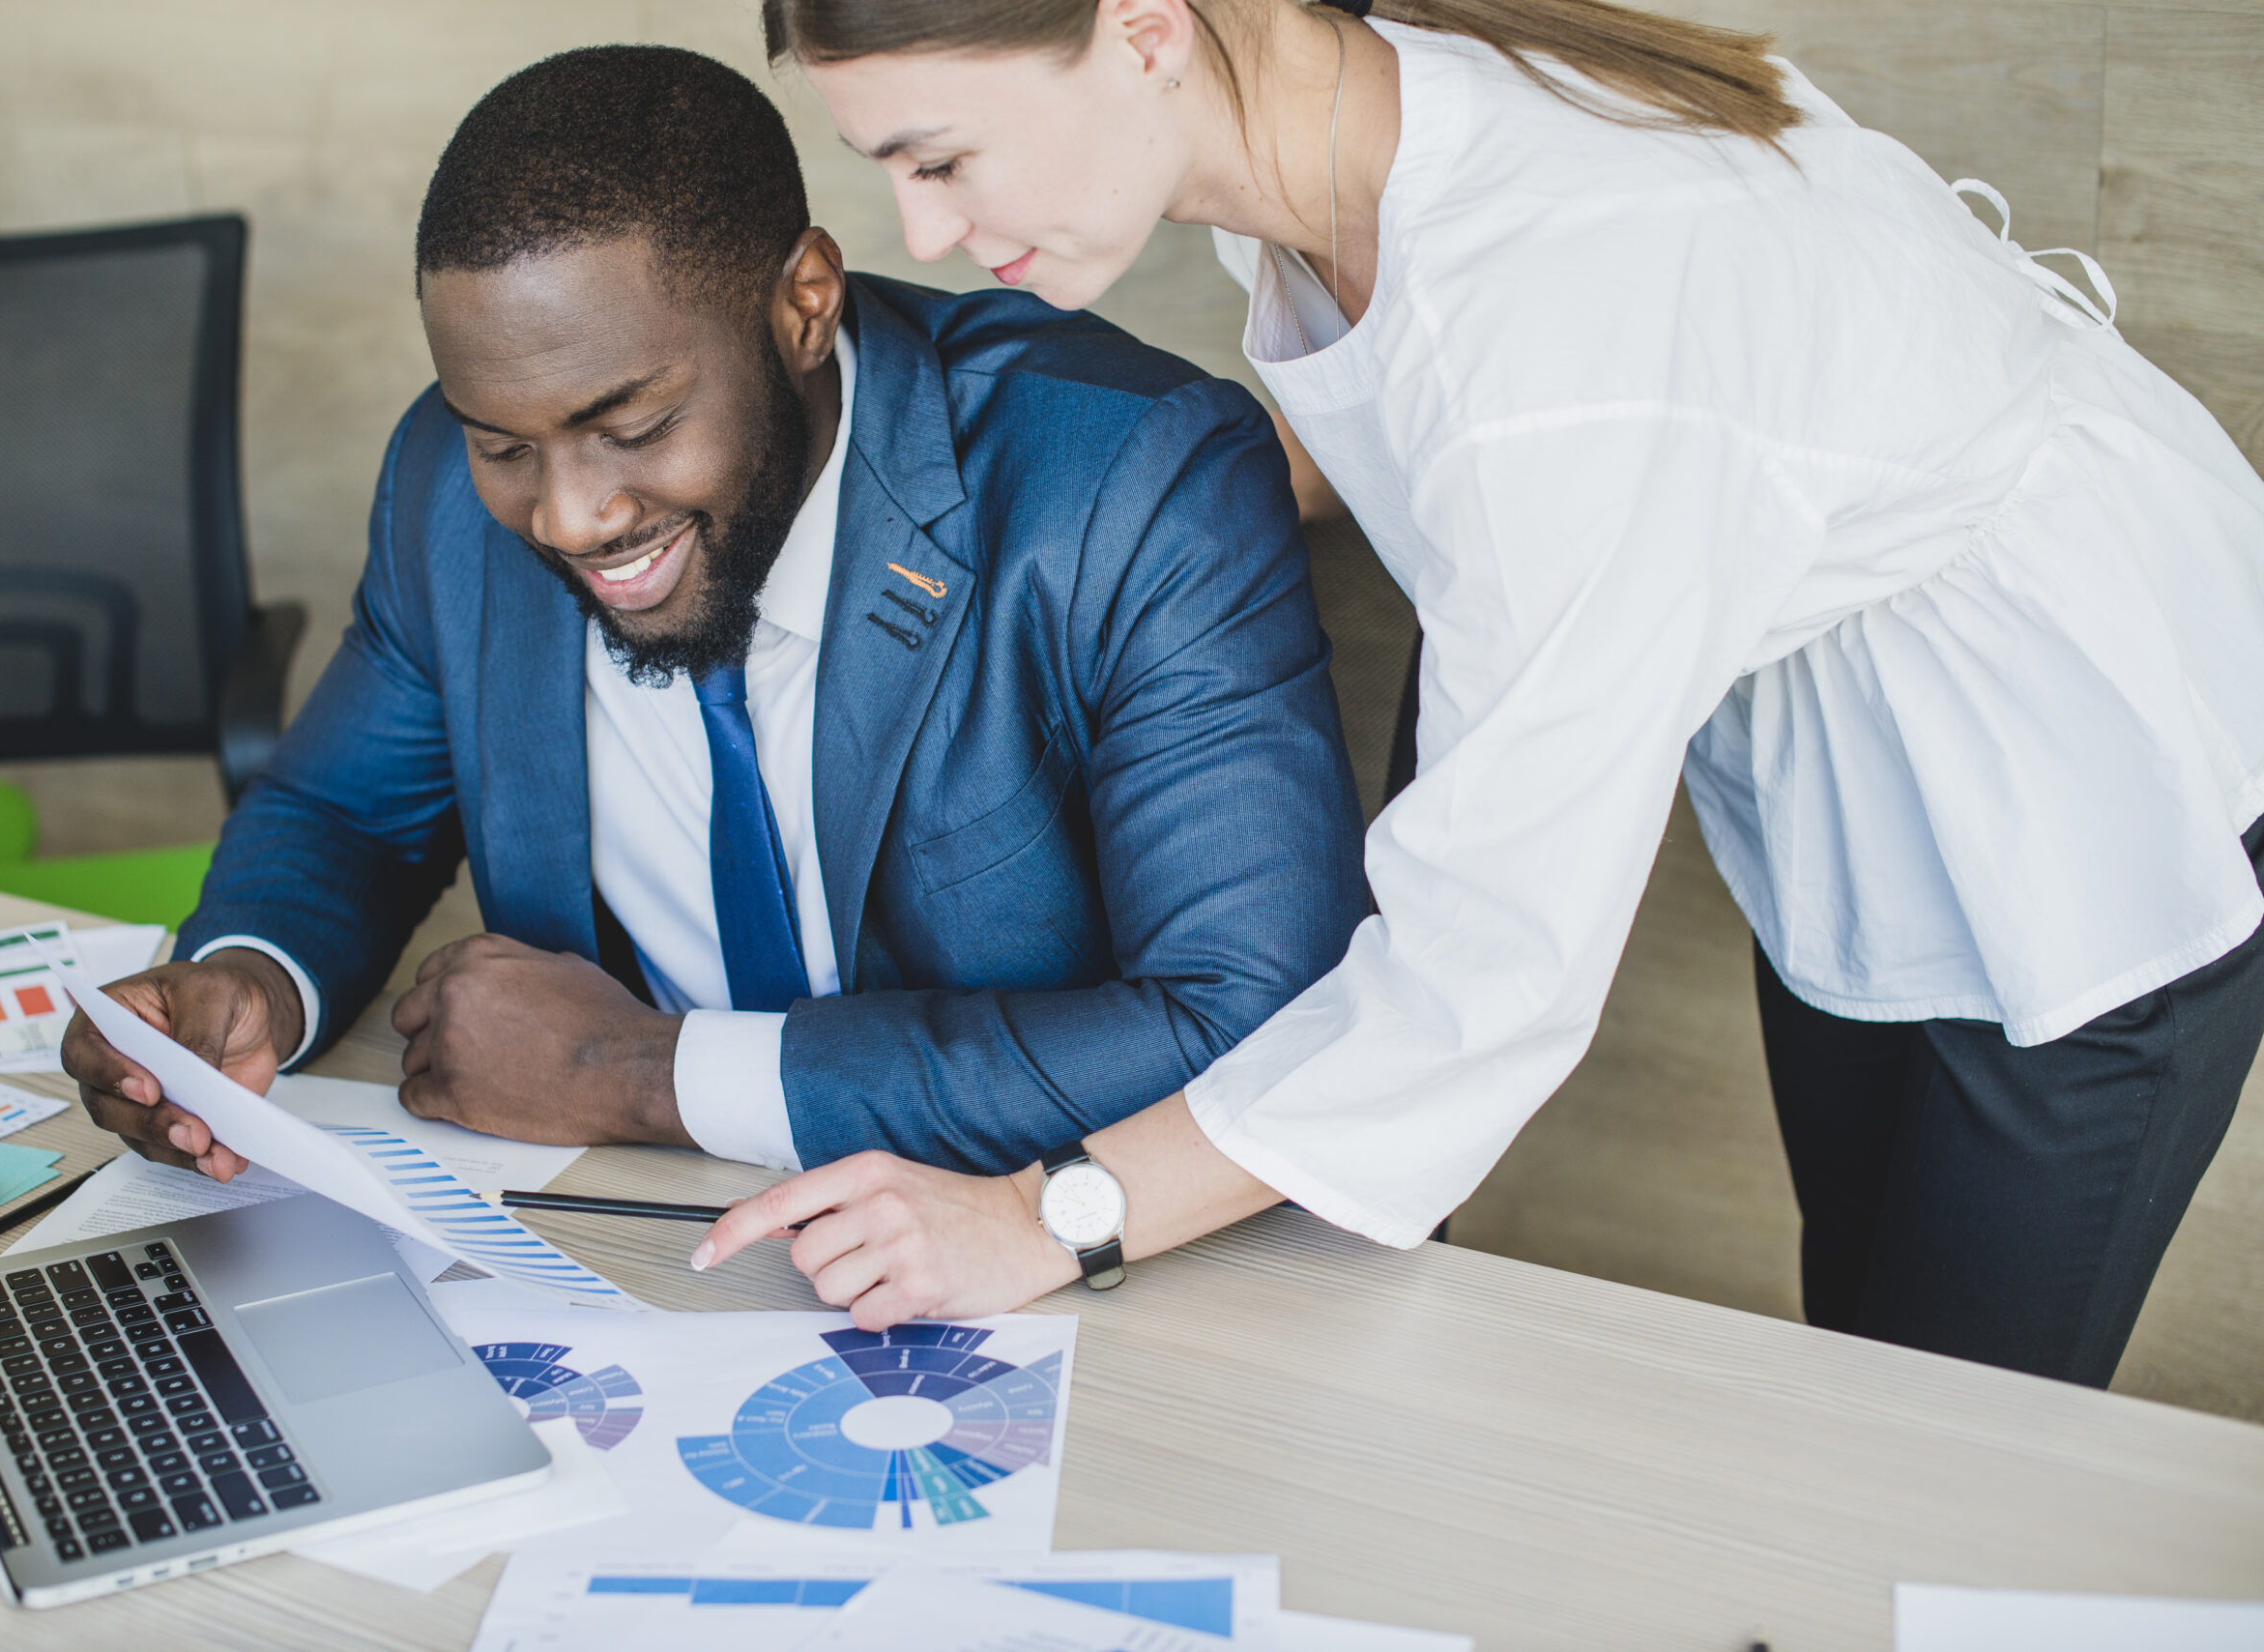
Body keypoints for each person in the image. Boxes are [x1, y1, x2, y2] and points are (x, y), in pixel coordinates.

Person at [697, 0, 2264, 1385]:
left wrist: (1044, 1218)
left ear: (1145, 30)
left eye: (941, 158)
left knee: (1949, 1446)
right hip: (1836, 751)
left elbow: (1482, 983)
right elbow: (1415, 419)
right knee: (1859, 1365)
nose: (917, 233)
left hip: (2095, 780)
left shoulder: (1562, 351)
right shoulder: (1320, 109)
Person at [59, 45, 1368, 1190]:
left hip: (1061, 1248)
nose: (566, 516)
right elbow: (342, 815)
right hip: (636, 1240)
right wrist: (249, 981)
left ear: (803, 302)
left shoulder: (1132, 487)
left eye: (630, 427)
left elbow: (1248, 1019)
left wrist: (642, 1072)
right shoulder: (445, 491)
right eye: (502, 444)